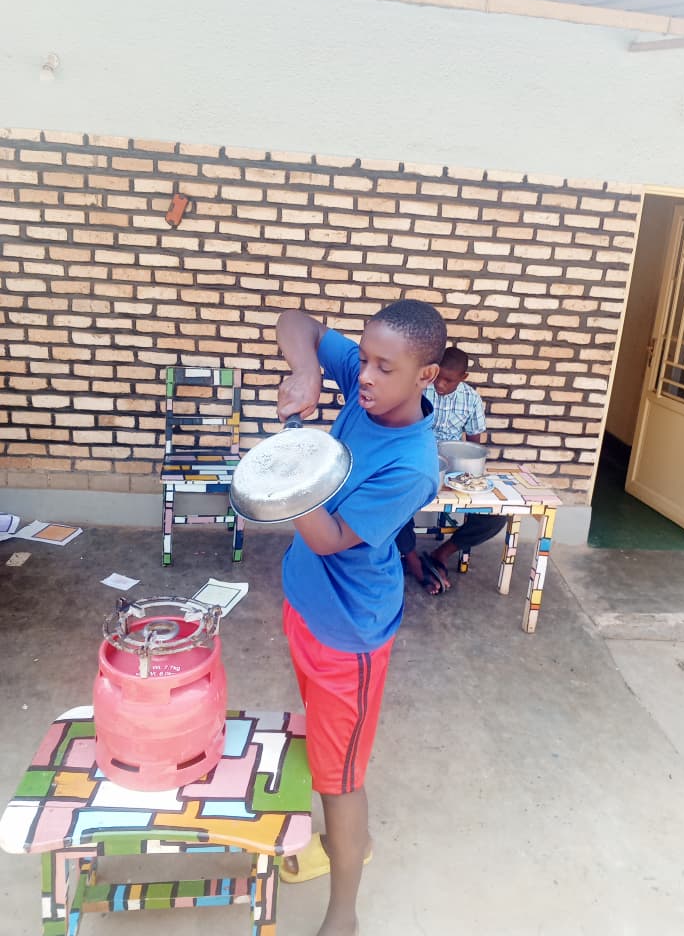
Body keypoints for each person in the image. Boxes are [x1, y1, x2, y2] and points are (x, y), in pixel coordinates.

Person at [275, 299, 446, 936]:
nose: (365, 376)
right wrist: (307, 371)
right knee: (325, 749)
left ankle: (342, 917)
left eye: (383, 367)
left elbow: (326, 536)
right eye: (362, 361)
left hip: (349, 638)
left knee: (339, 776)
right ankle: (348, 844)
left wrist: (287, 458)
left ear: (424, 377)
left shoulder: (412, 465)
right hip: (306, 609)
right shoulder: (366, 387)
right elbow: (299, 322)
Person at [396, 346, 505, 595]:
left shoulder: (471, 399)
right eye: (438, 377)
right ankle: (414, 562)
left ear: (463, 378)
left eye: (449, 380)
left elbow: (474, 445)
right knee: (394, 502)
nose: (441, 384)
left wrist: (472, 478)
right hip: (416, 467)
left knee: (496, 515)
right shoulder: (418, 390)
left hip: (455, 475)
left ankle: (441, 553)